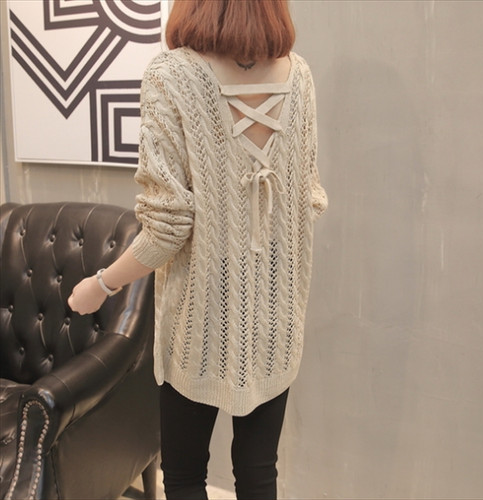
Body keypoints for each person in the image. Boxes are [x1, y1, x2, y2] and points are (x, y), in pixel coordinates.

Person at [68, 0, 328, 498]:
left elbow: (167, 229)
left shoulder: (171, 74)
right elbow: (308, 199)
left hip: (198, 318)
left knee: (185, 474)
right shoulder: (298, 75)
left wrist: (100, 285)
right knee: (259, 471)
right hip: (275, 317)